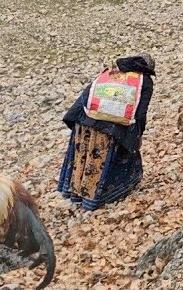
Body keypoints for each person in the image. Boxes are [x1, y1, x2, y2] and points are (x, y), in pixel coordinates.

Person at [57, 54, 156, 211]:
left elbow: (87, 95)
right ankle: (99, 198)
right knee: (108, 158)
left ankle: (76, 195)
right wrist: (137, 135)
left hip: (84, 120)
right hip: (110, 128)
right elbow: (140, 114)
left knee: (83, 154)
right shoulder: (145, 81)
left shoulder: (110, 72)